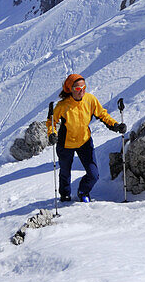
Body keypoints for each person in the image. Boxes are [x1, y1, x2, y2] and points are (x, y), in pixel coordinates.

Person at [47, 73, 126, 202]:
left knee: (93, 174)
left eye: (84, 87)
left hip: (84, 142)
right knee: (65, 173)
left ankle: (83, 191)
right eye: (78, 89)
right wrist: (52, 134)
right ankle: (65, 195)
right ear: (70, 89)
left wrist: (116, 125)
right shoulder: (62, 106)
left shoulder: (90, 100)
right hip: (65, 144)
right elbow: (51, 122)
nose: (81, 91)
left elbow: (102, 114)